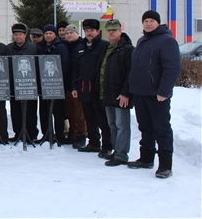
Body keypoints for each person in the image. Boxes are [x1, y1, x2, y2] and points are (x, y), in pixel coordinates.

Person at [127, 10, 181, 179]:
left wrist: (164, 91)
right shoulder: (142, 40)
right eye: (146, 21)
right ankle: (146, 158)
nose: (148, 23)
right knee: (145, 127)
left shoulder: (167, 41)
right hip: (140, 94)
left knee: (161, 129)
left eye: (151, 20)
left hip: (157, 95)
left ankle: (165, 165)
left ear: (158, 23)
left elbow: (172, 68)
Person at [71, 19, 112, 158]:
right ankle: (94, 143)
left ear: (97, 32)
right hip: (83, 88)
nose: (89, 33)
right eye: (87, 30)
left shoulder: (104, 46)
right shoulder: (81, 47)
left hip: (98, 90)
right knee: (89, 118)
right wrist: (74, 87)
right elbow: (75, 68)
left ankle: (107, 146)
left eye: (92, 30)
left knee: (102, 119)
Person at [99, 19, 134, 166]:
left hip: (121, 95)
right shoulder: (107, 48)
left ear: (120, 31)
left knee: (122, 125)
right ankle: (116, 151)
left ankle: (121, 155)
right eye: (109, 30)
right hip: (108, 94)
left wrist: (126, 92)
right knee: (112, 125)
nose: (111, 32)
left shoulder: (127, 49)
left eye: (114, 30)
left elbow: (130, 73)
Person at [37, 24, 69, 145]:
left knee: (58, 111)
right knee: (44, 111)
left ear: (55, 34)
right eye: (46, 33)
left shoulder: (61, 47)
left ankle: (59, 135)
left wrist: (61, 81)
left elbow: (65, 65)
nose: (48, 35)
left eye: (50, 33)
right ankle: (46, 134)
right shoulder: (42, 47)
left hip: (57, 85)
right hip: (44, 84)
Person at [7, 23, 38, 142]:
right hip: (14, 84)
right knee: (15, 111)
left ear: (25, 35)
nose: (18, 37)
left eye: (20, 34)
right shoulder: (9, 48)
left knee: (30, 110)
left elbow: (36, 64)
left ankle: (31, 134)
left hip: (29, 84)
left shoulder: (33, 48)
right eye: (15, 35)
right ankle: (18, 133)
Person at [63, 24, 88, 149]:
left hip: (78, 85)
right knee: (70, 112)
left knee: (79, 113)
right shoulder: (65, 46)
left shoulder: (82, 46)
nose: (69, 35)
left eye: (71, 33)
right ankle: (73, 134)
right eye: (67, 33)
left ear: (77, 33)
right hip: (67, 84)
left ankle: (82, 135)